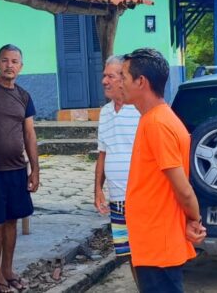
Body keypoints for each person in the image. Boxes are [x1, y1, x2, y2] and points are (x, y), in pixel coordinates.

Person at [120, 48, 206, 293]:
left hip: (160, 241)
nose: (119, 83)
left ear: (141, 82)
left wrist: (194, 220)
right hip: (152, 239)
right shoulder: (152, 119)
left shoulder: (158, 123)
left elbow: (183, 189)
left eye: (124, 77)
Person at [0, 44, 40, 293]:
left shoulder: (24, 96)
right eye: (5, 60)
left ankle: (7, 269)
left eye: (15, 61)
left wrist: (35, 169)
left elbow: (29, 134)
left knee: (11, 222)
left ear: (21, 66)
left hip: (17, 169)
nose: (9, 65)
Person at [94, 55, 141, 281]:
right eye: (104, 75)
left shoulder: (140, 110)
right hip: (117, 199)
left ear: (123, 79)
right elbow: (102, 153)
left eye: (110, 76)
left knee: (146, 253)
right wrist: (98, 190)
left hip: (139, 198)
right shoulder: (105, 112)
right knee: (130, 255)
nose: (104, 81)